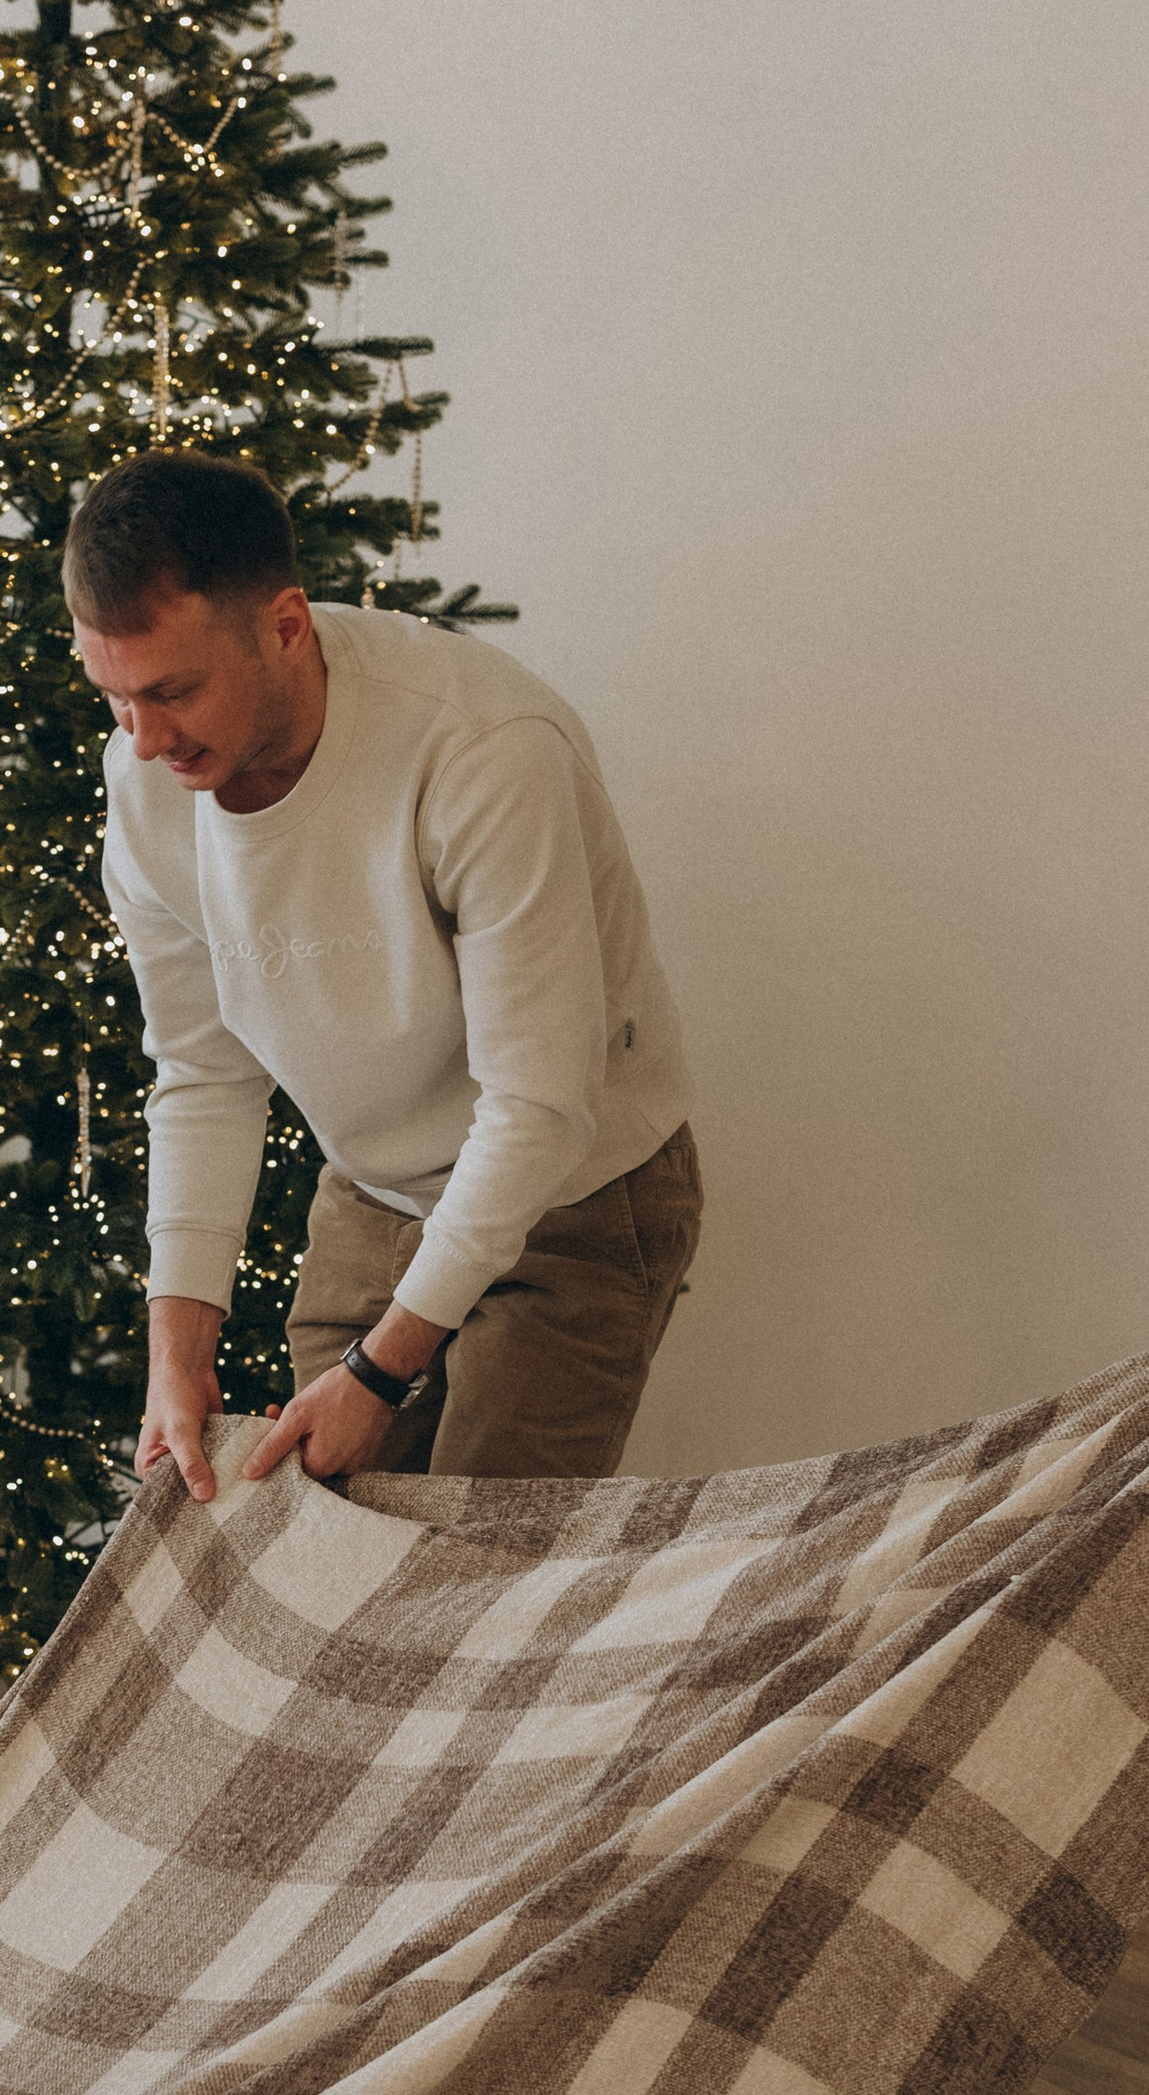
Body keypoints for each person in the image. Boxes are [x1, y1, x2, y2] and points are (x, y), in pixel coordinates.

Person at [74, 450, 700, 1502]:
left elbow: (539, 1107)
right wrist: (174, 1363)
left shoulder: (483, 749)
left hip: (577, 1197)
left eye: (172, 692)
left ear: (283, 626)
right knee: (326, 1542)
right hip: (372, 1193)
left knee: (473, 1584)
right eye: (112, 697)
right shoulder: (144, 785)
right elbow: (202, 1073)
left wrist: (378, 1371)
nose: (141, 741)